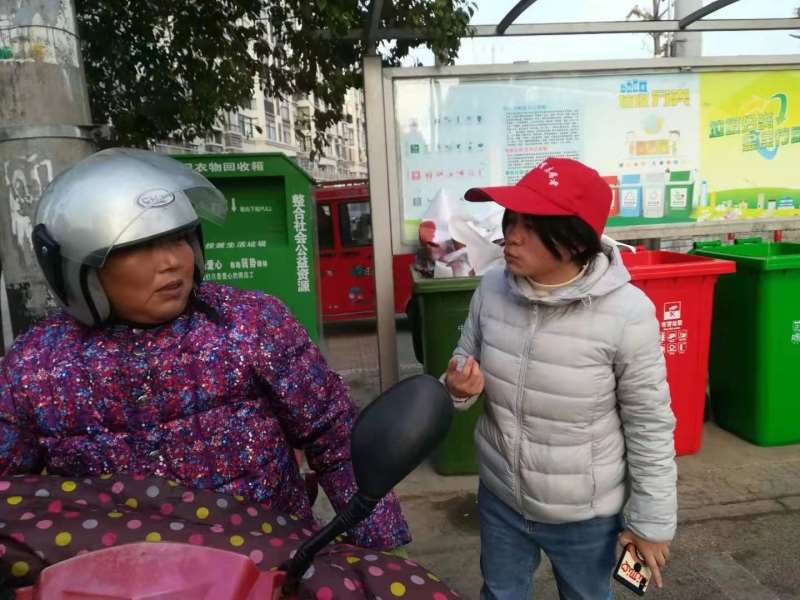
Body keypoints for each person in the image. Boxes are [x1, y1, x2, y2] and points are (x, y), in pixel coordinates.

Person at [0, 148, 409, 552]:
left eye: (179, 238)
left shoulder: (250, 323)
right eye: (139, 247)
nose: (172, 262)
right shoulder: (35, 368)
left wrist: (382, 552)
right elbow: (11, 496)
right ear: (78, 270)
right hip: (116, 578)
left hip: (271, 567)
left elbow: (336, 439)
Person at [444, 158, 677, 599]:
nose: (512, 236)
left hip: (584, 514)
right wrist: (457, 388)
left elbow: (649, 424)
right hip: (501, 497)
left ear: (574, 240)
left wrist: (651, 522)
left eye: (531, 226)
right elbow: (462, 361)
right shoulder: (491, 288)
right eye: (511, 220)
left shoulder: (628, 314)